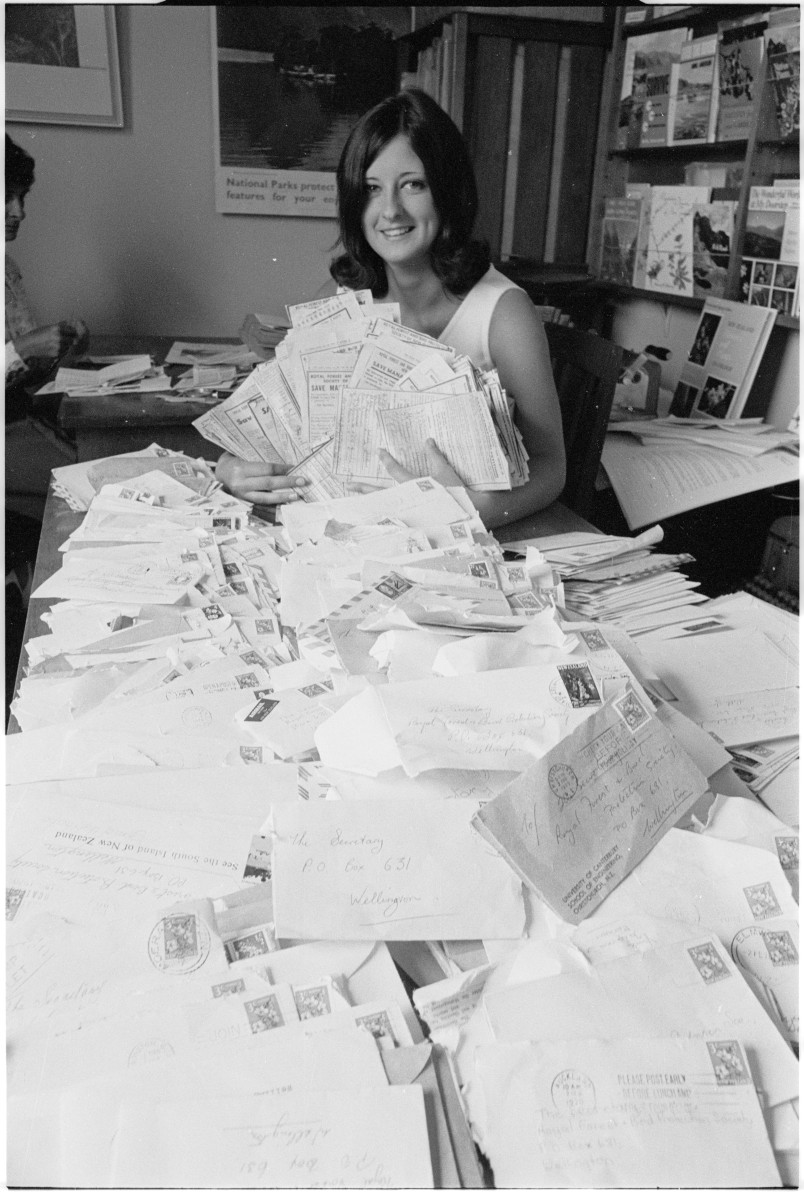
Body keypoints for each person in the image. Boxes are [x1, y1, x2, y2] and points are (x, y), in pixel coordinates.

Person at [217, 89, 566, 529]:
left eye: (413, 185)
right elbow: (277, 427)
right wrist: (230, 466)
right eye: (371, 189)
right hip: (354, 536)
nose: (390, 211)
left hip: (464, 542)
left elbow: (552, 468)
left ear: (447, 190)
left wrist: (468, 513)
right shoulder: (341, 295)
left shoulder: (504, 312)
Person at [5, 134, 89, 521]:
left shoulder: (7, 269)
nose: (19, 212)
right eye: (5, 197)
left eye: (22, 197)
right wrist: (23, 350)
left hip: (21, 422)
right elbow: (15, 354)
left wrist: (57, 351)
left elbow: (19, 374)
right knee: (96, 486)